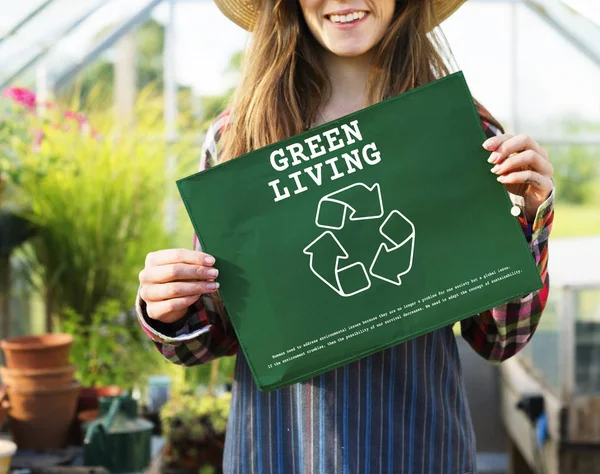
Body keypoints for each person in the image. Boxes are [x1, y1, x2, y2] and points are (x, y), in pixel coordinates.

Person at [136, 0, 555, 472]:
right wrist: (168, 306)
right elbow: (214, 335)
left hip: (417, 448)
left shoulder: (463, 131)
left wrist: (529, 220)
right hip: (281, 451)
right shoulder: (238, 137)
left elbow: (497, 338)